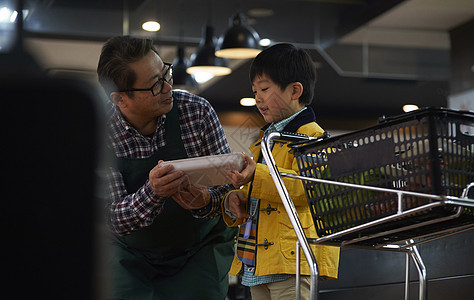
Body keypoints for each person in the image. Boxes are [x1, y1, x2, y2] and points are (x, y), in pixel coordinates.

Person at [97, 36, 237, 300]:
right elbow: (111, 216)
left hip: (199, 249)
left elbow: (230, 188)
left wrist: (206, 200)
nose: (167, 86)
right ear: (120, 99)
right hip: (130, 255)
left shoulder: (196, 112)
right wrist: (153, 192)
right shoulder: (100, 132)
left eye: (166, 73)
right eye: (155, 85)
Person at [222, 43, 340, 300]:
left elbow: (310, 190)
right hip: (258, 261)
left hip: (294, 262)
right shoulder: (264, 142)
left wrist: (256, 177)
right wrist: (238, 198)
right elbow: (261, 192)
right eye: (255, 91)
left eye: (265, 89)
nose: (258, 98)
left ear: (295, 90)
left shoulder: (315, 138)